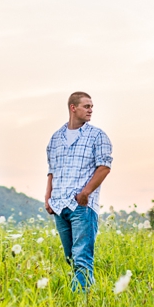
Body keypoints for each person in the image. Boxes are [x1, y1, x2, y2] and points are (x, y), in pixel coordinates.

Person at [45, 91, 112, 292]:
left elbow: (104, 167)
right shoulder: (56, 138)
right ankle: (87, 294)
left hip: (82, 206)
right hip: (59, 205)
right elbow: (51, 171)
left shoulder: (98, 136)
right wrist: (48, 197)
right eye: (86, 106)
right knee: (71, 257)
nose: (91, 110)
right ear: (73, 108)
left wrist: (85, 193)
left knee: (82, 257)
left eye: (92, 106)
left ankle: (80, 303)